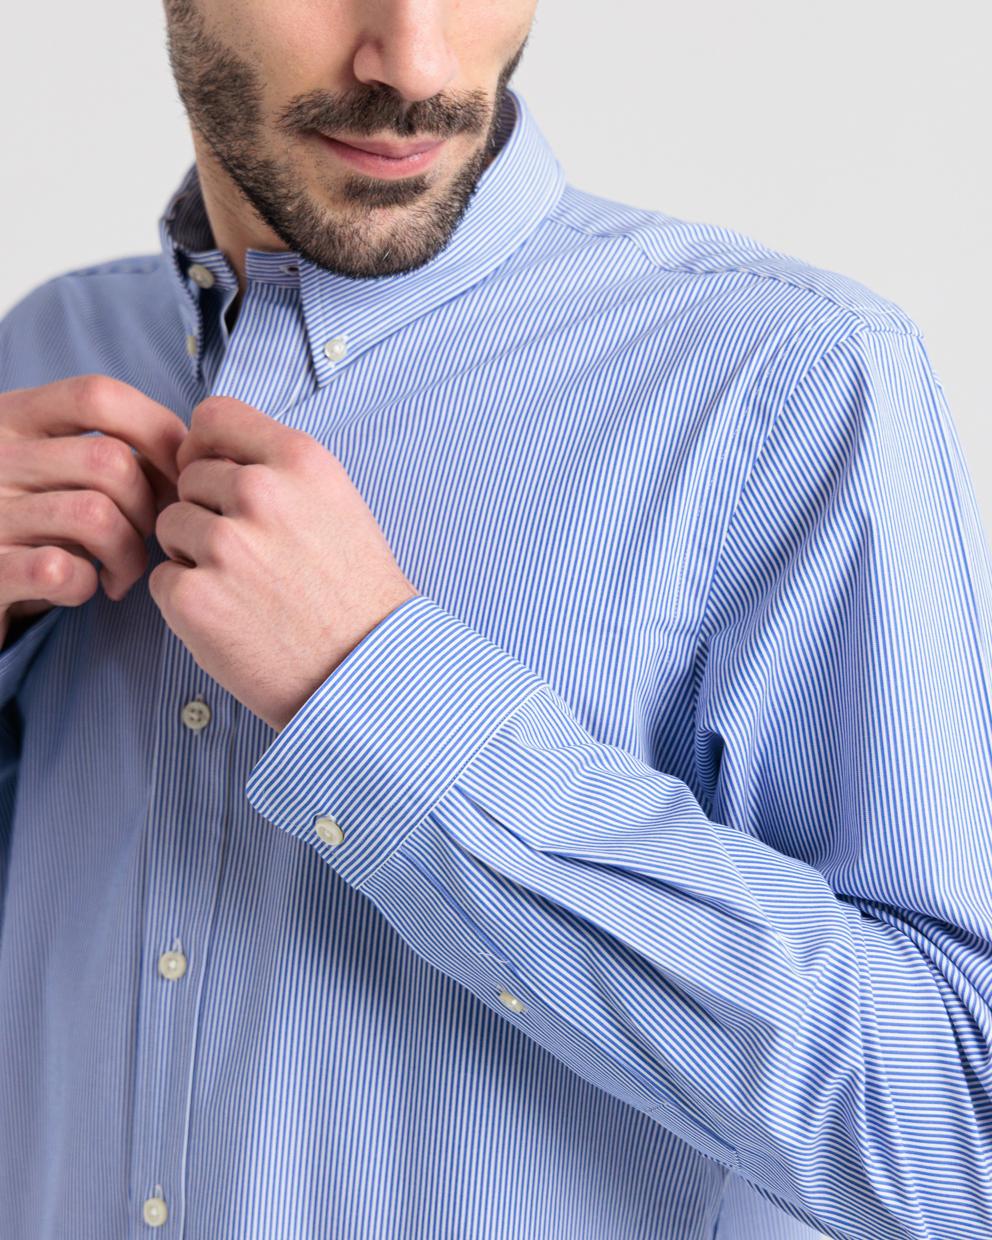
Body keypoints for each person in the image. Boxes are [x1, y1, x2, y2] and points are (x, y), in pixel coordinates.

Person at [0, 1, 989, 1236]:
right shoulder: (48, 349)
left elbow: (957, 1128)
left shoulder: (789, 384)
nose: (414, 64)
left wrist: (374, 694)